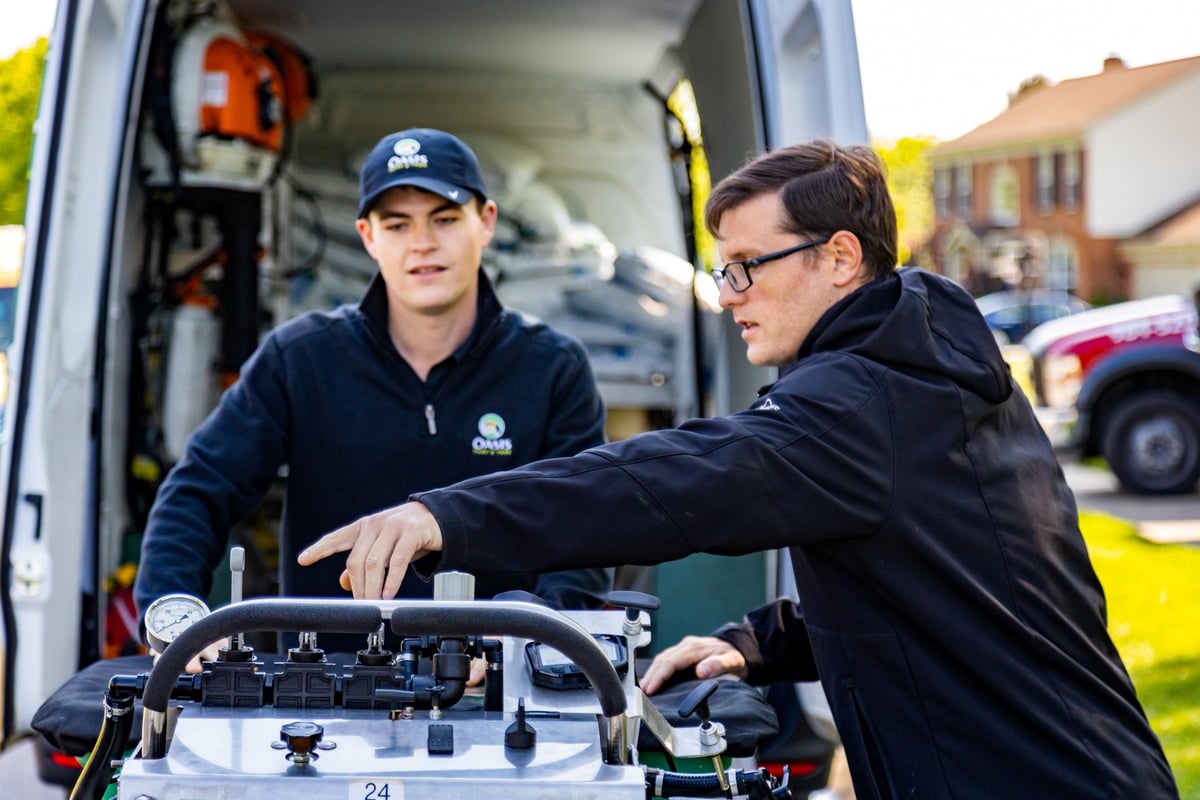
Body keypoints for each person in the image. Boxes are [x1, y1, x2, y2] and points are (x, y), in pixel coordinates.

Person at [299, 140, 1178, 798]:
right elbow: (938, 581)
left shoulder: (862, 402)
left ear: (839, 258)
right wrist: (755, 643)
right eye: (723, 270)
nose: (727, 296)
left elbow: (673, 477)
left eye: (749, 268)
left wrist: (443, 519)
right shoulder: (918, 371)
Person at [134, 127, 613, 662]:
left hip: (497, 690)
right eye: (397, 223)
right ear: (367, 235)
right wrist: (174, 614)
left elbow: (584, 528)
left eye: (445, 219)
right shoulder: (300, 358)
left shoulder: (553, 368)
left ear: (486, 222)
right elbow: (200, 487)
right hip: (321, 695)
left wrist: (526, 636)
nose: (422, 243)